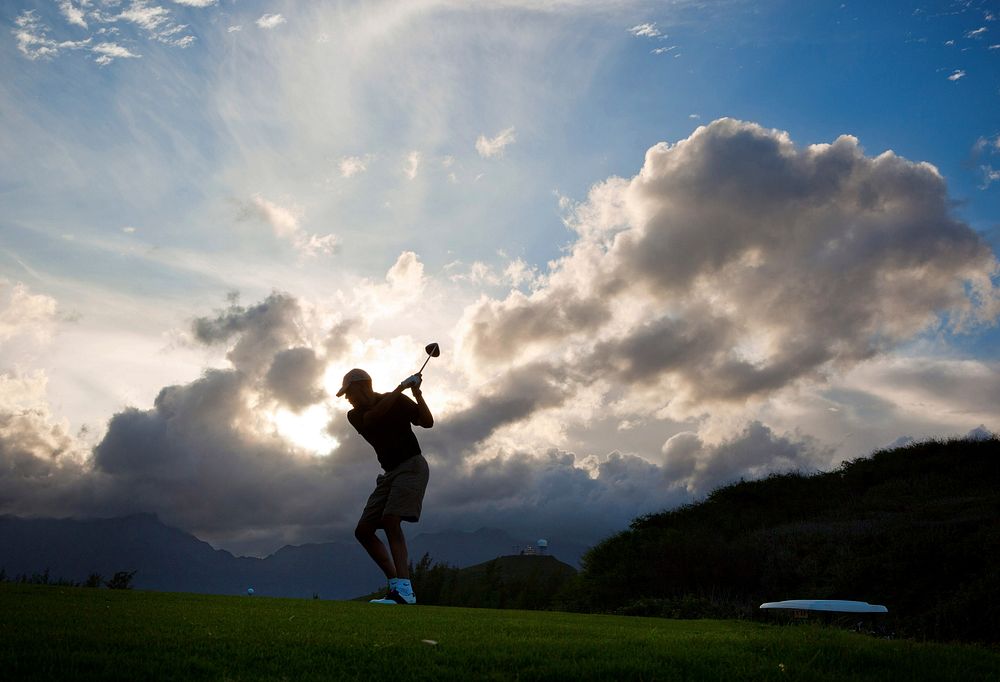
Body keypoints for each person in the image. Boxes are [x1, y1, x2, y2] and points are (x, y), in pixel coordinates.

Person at [337, 367, 433, 605]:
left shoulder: (397, 399)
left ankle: (404, 591)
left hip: (412, 466)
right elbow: (374, 417)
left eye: (348, 392)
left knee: (391, 520)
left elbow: (427, 422)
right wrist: (400, 388)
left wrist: (417, 394)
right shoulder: (355, 415)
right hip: (389, 473)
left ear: (361, 386)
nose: (347, 398)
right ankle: (396, 587)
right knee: (364, 530)